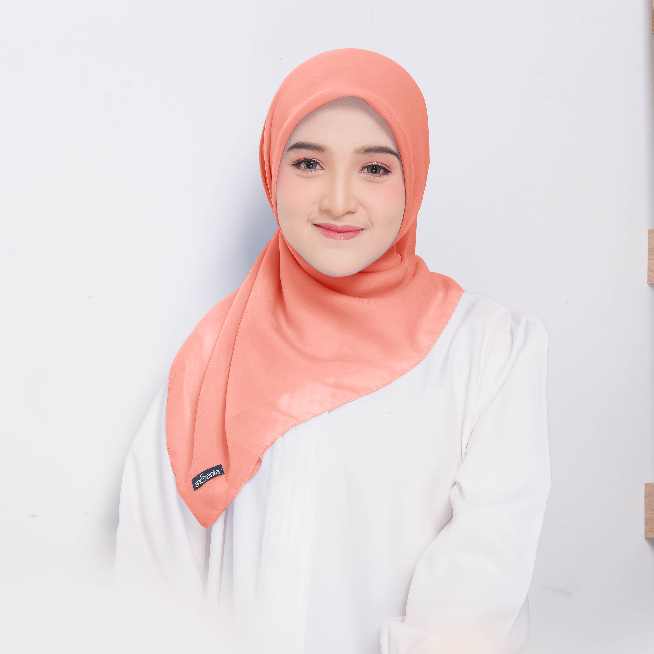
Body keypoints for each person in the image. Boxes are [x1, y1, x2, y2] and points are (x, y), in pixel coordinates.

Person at [114, 48, 551, 654]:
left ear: (414, 176)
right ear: (273, 172)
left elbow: (480, 576)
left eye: (374, 168)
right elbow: (153, 589)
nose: (339, 200)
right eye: (309, 163)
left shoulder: (485, 350)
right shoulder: (213, 356)